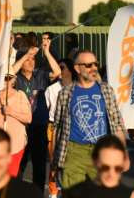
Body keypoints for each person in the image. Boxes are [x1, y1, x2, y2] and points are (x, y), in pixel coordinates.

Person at [51, 50, 127, 190]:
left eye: (95, 64)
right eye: (88, 65)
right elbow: (57, 128)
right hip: (74, 151)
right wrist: (54, 161)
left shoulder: (106, 91)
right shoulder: (65, 93)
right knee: (73, 196)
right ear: (77, 68)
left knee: (101, 196)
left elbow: (117, 124)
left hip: (102, 151)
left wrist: (123, 154)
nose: (93, 68)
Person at [13, 39, 61, 192]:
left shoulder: (40, 75)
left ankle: (38, 196)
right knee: (20, 164)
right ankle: (16, 195)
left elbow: (57, 72)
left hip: (39, 125)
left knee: (39, 165)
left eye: (33, 59)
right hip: (21, 126)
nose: (31, 62)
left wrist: (46, 52)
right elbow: (10, 71)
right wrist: (26, 54)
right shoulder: (15, 79)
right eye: (27, 60)